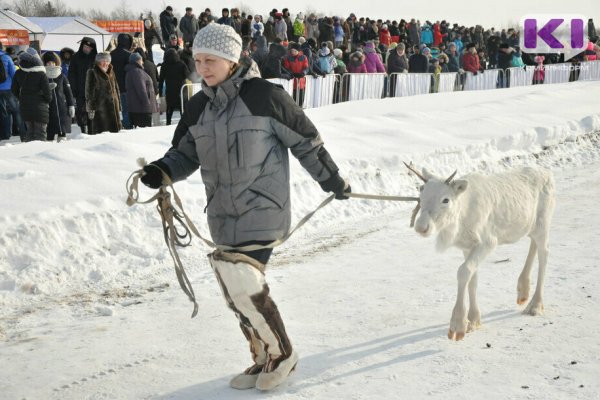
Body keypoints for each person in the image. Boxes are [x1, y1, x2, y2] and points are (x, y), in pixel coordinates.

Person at [140, 23, 350, 392]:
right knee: (231, 285)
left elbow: (307, 143)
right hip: (223, 213)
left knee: (243, 280)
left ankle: (283, 353)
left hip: (263, 209)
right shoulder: (199, 105)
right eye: (198, 60)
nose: (202, 68)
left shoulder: (265, 96)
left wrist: (332, 179)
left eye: (211, 60)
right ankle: (263, 356)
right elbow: (184, 154)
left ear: (232, 60)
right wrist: (162, 171)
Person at [12, 49, 52, 142]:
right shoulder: (41, 74)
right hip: (40, 107)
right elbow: (47, 93)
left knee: (29, 132)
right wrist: (47, 100)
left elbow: (14, 89)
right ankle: (41, 154)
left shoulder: (18, 73)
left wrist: (21, 97)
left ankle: (29, 154)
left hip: (25, 106)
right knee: (41, 133)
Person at [85, 52, 121, 134]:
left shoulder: (111, 71)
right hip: (100, 108)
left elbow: (116, 88)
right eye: (103, 60)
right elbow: (89, 92)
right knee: (102, 132)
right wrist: (91, 109)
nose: (105, 63)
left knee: (115, 133)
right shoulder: (92, 72)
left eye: (107, 61)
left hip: (114, 107)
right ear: (98, 61)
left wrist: (119, 107)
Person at [42, 51, 75, 142]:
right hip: (49, 109)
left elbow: (68, 92)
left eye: (53, 62)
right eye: (48, 63)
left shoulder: (61, 76)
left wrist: (71, 105)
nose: (51, 64)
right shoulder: (43, 76)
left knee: (62, 131)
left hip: (62, 108)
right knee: (50, 132)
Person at [69, 37, 97, 133]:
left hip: (93, 91)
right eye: (85, 46)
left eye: (89, 48)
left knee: (92, 111)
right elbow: (71, 74)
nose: (86, 49)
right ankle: (83, 129)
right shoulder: (75, 57)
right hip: (80, 90)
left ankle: (91, 130)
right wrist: (74, 89)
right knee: (81, 112)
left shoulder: (95, 58)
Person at [157, 48, 190, 125]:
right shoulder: (181, 64)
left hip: (170, 91)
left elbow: (161, 80)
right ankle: (183, 123)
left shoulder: (164, 65)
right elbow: (188, 75)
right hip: (181, 90)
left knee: (170, 108)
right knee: (182, 108)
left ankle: (168, 122)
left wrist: (161, 92)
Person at [0, 42, 24, 141]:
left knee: (3, 112)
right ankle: (24, 133)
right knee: (16, 110)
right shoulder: (6, 58)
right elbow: (14, 73)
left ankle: (5, 135)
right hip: (8, 88)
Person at [125, 52, 156, 128]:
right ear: (137, 61)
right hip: (142, 110)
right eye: (141, 60)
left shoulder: (132, 71)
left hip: (136, 108)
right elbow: (141, 90)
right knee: (144, 132)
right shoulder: (137, 72)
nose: (142, 62)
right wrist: (147, 105)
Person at [110, 33, 134, 129]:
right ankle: (127, 125)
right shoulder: (129, 55)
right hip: (126, 85)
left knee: (115, 107)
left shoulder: (111, 54)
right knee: (126, 107)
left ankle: (115, 124)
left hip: (113, 84)